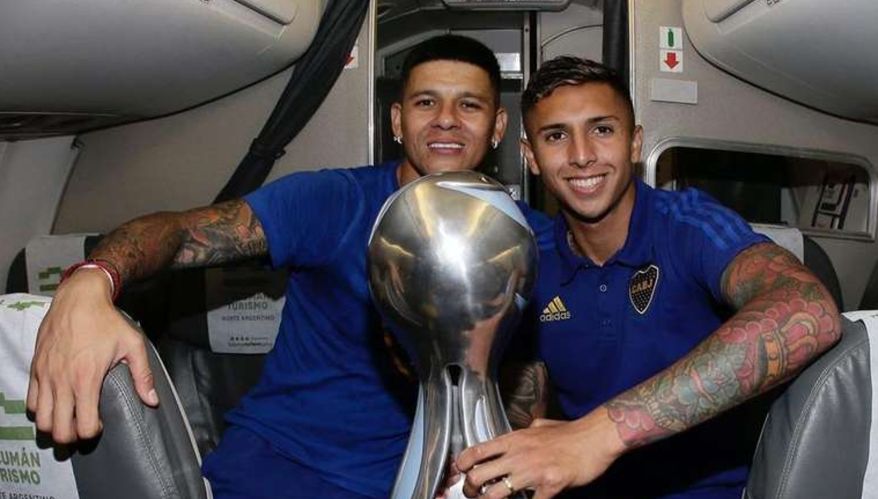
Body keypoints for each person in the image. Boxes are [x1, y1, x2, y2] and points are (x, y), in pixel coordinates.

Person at [26, 35, 551, 499]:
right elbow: (181, 231)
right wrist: (93, 281)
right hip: (285, 468)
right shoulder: (334, 203)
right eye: (425, 102)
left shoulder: (530, 239)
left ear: (498, 126)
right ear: (397, 121)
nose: (446, 119)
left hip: (434, 473)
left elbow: (532, 378)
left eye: (469, 105)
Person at [455, 56, 841, 499]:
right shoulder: (531, 258)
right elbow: (526, 388)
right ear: (531, 157)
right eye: (556, 136)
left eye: (602, 130)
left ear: (635, 143)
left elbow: (809, 310)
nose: (581, 155)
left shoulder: (687, 225)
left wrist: (599, 434)